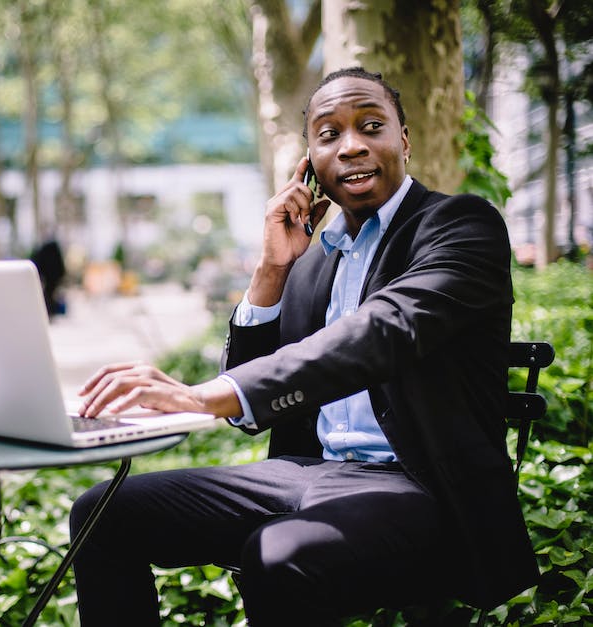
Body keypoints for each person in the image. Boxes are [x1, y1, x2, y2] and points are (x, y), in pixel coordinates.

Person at [70, 67, 538, 625]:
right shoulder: (314, 260)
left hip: (420, 488)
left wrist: (203, 395)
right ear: (309, 161)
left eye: (371, 126)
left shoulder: (459, 226)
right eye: (329, 134)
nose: (353, 145)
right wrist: (271, 269)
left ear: (405, 140)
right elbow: (249, 413)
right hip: (306, 474)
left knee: (279, 556)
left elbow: (382, 331)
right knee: (101, 513)